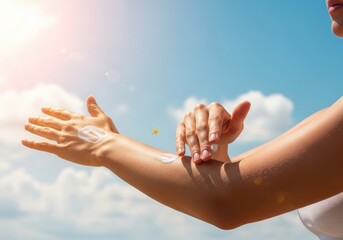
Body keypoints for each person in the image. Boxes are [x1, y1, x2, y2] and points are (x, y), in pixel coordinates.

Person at [22, 0, 342, 233]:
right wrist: (213, 149)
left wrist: (103, 145)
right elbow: (226, 182)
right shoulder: (327, 115)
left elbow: (229, 201)